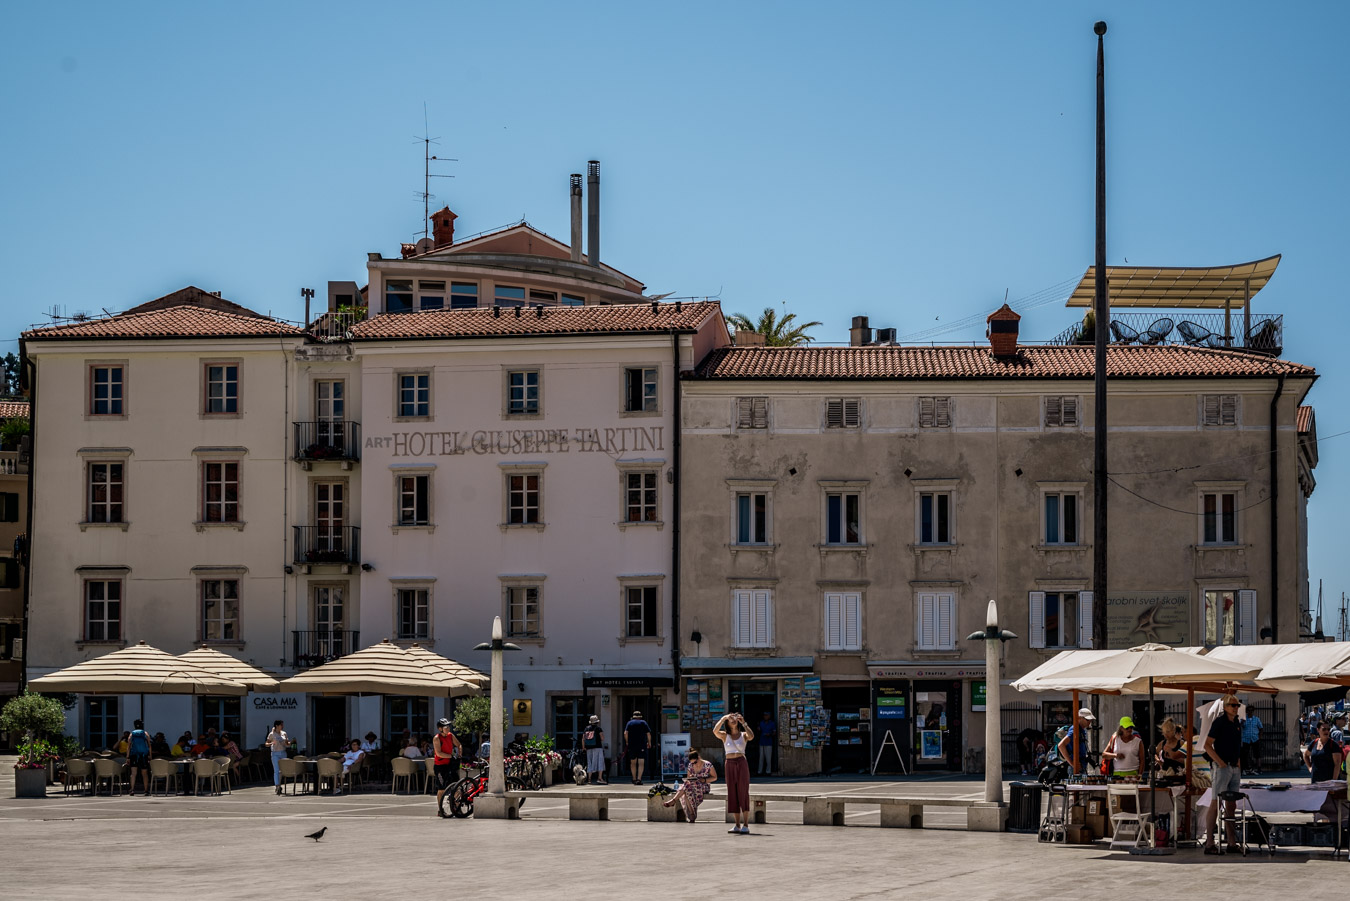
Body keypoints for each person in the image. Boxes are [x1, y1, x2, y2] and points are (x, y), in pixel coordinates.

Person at [1203, 694, 1244, 854]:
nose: (1236, 708)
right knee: (1215, 802)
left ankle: (1231, 842)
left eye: (1237, 705)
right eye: (1233, 705)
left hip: (1234, 767)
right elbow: (1207, 745)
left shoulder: (1236, 723)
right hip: (1222, 767)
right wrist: (1220, 762)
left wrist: (1238, 761)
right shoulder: (1219, 722)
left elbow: (1236, 745)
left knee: (1231, 804)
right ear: (1226, 707)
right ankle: (1209, 842)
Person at [715, 711, 754, 835]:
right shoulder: (724, 735)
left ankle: (746, 824)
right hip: (729, 763)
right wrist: (723, 718)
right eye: (731, 718)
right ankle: (737, 825)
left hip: (741, 762)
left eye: (735, 718)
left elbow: (751, 736)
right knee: (732, 792)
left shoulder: (743, 735)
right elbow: (715, 731)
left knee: (743, 791)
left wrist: (744, 723)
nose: (733, 719)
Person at [662, 749, 718, 822]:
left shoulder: (708, 765)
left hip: (703, 786)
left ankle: (674, 801)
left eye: (695, 762)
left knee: (686, 787)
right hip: (691, 786)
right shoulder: (690, 765)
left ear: (699, 757)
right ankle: (692, 814)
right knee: (687, 788)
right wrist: (691, 777)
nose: (694, 764)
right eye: (692, 763)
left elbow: (715, 777)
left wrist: (704, 780)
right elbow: (689, 778)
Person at [432, 718, 461, 819]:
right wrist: (451, 756)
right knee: (441, 788)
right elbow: (439, 753)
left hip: (450, 765)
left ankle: (457, 807)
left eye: (449, 726)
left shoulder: (450, 735)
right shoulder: (437, 738)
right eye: (446, 727)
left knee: (457, 785)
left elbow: (458, 744)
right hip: (440, 766)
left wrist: (459, 753)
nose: (448, 728)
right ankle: (440, 809)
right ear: (440, 729)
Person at [1054, 708, 1096, 774]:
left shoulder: (1081, 730)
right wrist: (1072, 763)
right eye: (1087, 720)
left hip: (1081, 766)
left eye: (1090, 720)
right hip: (1075, 768)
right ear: (1079, 718)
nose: (1089, 722)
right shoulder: (1075, 730)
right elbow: (1061, 745)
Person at [1154, 717, 1187, 783]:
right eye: (1164, 732)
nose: (1165, 735)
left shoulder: (1180, 743)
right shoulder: (1162, 743)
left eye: (1168, 732)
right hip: (1165, 775)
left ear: (1173, 730)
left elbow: (1187, 761)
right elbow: (1154, 754)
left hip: (1178, 776)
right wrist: (1160, 762)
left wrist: (1174, 757)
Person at [623, 710, 652, 785]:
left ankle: (634, 778)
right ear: (640, 717)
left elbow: (625, 733)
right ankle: (639, 779)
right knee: (641, 763)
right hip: (641, 744)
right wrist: (649, 743)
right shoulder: (643, 723)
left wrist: (627, 742)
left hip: (632, 745)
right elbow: (648, 734)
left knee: (633, 763)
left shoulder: (629, 723)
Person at [127, 720, 152, 795]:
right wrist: (150, 755)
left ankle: (132, 790)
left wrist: (127, 757)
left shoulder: (132, 734)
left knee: (133, 773)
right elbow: (149, 745)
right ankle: (146, 790)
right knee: (144, 773)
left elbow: (128, 746)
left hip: (134, 755)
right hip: (143, 755)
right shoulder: (145, 733)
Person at [266, 720, 290, 795]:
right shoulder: (272, 734)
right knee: (276, 770)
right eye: (281, 725)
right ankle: (277, 786)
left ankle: (279, 784)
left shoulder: (284, 733)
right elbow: (266, 743)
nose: (282, 726)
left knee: (281, 771)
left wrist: (288, 742)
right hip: (275, 753)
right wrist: (271, 743)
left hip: (283, 752)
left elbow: (287, 743)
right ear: (277, 726)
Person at [582, 714, 607, 785]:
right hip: (597, 747)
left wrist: (584, 747)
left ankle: (589, 779)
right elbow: (602, 738)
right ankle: (600, 778)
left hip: (588, 748)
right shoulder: (598, 729)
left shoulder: (586, 728)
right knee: (600, 762)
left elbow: (583, 739)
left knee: (589, 763)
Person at [1241, 708, 1263, 774]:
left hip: (1255, 738)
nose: (1250, 712)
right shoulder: (1244, 719)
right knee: (1245, 754)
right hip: (1246, 739)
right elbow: (1241, 726)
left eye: (1251, 710)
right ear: (1247, 711)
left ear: (1253, 711)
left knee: (1257, 754)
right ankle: (1245, 768)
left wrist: (1259, 737)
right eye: (1248, 711)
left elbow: (1261, 728)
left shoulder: (1256, 719)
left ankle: (1259, 768)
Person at [757, 711, 777, 775]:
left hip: (768, 742)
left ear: (769, 716)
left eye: (767, 715)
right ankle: (759, 771)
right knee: (761, 757)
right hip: (762, 741)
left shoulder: (772, 723)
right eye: (764, 715)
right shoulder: (761, 723)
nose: (765, 716)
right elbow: (758, 730)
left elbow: (774, 732)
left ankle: (768, 771)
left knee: (768, 758)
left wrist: (770, 734)